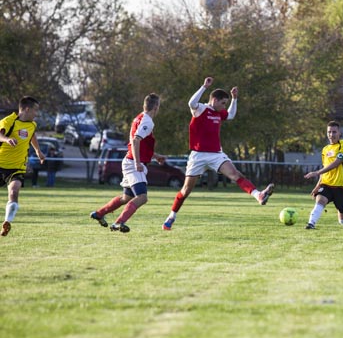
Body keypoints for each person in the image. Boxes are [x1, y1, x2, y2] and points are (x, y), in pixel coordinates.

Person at [162, 77, 274, 231]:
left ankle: (258, 195)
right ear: (214, 100)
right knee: (186, 190)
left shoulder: (219, 113)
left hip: (216, 154)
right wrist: (204, 86)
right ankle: (171, 216)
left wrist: (234, 99)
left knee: (235, 174)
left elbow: (231, 115)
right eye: (223, 103)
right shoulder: (201, 109)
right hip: (198, 156)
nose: (224, 106)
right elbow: (191, 103)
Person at [90, 93, 166, 233]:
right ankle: (118, 223)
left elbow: (139, 144)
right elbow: (136, 140)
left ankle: (99, 213)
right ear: (156, 107)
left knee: (126, 197)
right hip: (133, 163)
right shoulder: (147, 121)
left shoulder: (139, 117)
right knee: (142, 197)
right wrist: (138, 163)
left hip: (129, 160)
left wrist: (155, 156)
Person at [0, 96, 46, 236]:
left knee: (14, 192)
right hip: (1, 164)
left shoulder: (32, 125)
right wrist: (7, 139)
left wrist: (38, 151)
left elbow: (32, 136)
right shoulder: (9, 121)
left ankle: (7, 222)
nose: (36, 114)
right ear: (27, 109)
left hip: (17, 167)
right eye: (35, 110)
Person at [303, 121, 343, 230]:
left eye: (334, 132)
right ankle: (311, 223)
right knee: (320, 201)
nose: (331, 135)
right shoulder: (325, 149)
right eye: (329, 132)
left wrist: (317, 172)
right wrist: (318, 185)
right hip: (326, 184)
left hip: (341, 186)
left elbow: (336, 163)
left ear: (339, 133)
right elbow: (325, 167)